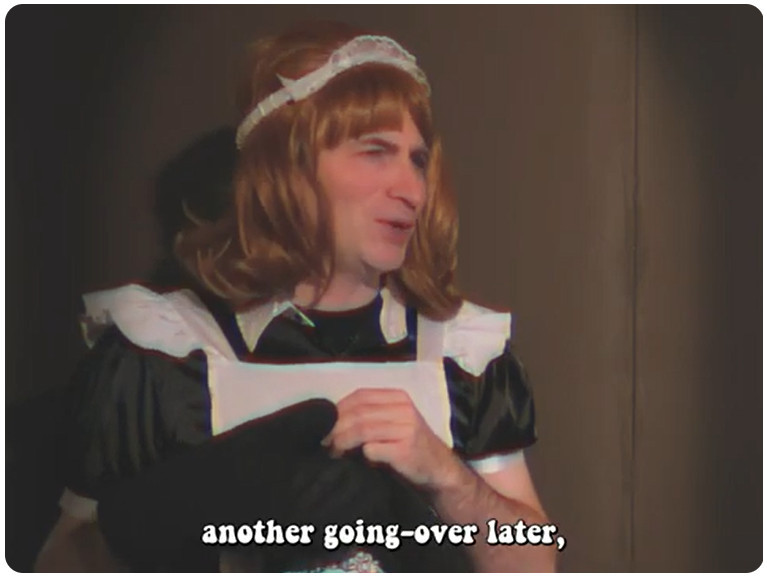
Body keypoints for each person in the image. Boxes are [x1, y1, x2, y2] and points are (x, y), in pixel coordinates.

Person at [35, 21, 555, 572]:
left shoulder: (459, 353)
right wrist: (186, 502)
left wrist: (447, 478)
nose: (410, 190)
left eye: (417, 160)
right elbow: (57, 562)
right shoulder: (163, 355)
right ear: (287, 167)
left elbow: (535, 565)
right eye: (376, 152)